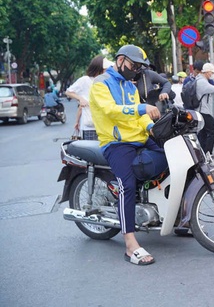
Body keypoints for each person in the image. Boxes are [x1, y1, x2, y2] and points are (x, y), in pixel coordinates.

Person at [89, 45, 166, 266]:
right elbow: (110, 110)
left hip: (139, 137)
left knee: (169, 153)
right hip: (116, 143)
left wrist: (153, 127)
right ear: (121, 60)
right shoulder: (101, 83)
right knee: (127, 185)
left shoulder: (130, 87)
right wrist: (142, 108)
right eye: (134, 65)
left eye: (139, 67)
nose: (136, 70)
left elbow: (140, 117)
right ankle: (130, 244)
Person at [66, 55, 107, 140]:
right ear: (99, 68)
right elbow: (68, 92)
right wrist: (80, 98)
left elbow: (81, 107)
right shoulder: (85, 80)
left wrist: (76, 121)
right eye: (105, 68)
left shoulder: (106, 81)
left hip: (105, 126)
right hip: (90, 127)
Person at [195, 63, 214, 154]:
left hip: (201, 110)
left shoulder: (200, 80)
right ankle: (207, 154)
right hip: (203, 111)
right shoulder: (202, 82)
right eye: (212, 72)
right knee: (212, 132)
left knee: (204, 133)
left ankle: (203, 155)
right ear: (207, 72)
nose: (213, 74)